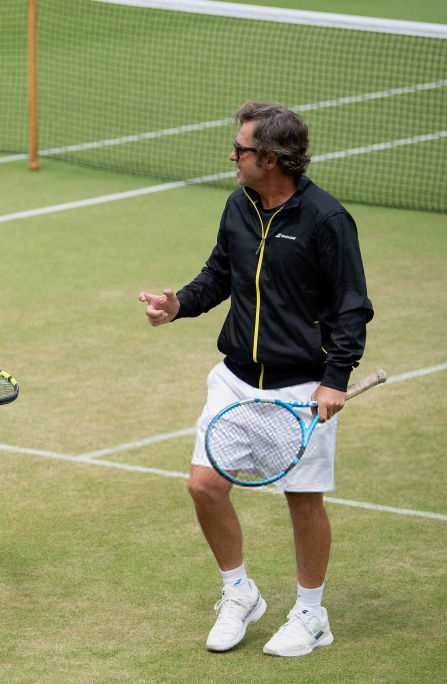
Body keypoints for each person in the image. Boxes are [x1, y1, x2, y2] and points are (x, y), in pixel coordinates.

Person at [138, 101, 373, 656]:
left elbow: (352, 306)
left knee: (303, 502)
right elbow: (221, 273)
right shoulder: (238, 205)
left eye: (240, 149)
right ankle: (239, 592)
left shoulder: (327, 219)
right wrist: (180, 305)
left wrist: (335, 378)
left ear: (270, 158)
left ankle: (312, 615)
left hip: (301, 387)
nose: (232, 156)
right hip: (236, 380)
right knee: (203, 484)